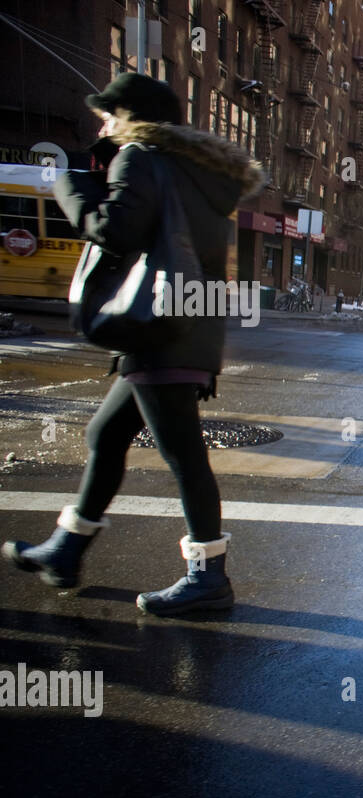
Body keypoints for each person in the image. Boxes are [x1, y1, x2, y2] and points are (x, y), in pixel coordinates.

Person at [3, 72, 264, 614]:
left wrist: (69, 189)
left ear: (132, 117)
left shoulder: (142, 158)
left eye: (109, 113)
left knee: (185, 454)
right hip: (188, 323)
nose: (103, 122)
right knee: (107, 433)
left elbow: (117, 231)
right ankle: (66, 549)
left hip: (157, 328)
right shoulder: (203, 175)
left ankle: (207, 575)